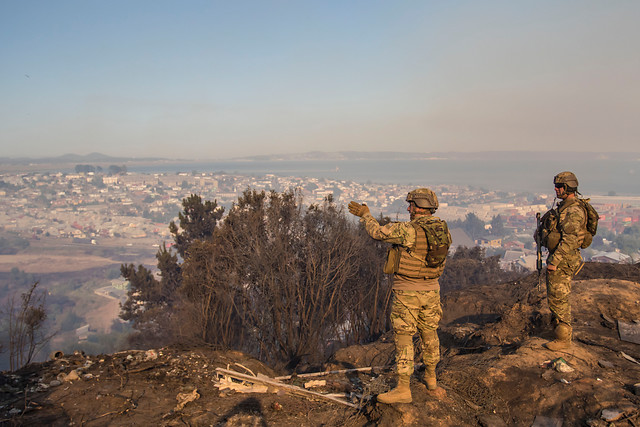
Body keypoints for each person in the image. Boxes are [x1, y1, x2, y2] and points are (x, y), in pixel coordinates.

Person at [348, 188, 451, 404]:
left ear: (419, 206)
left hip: (408, 291)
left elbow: (377, 233)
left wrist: (366, 215)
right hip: (432, 290)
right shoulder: (442, 229)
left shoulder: (409, 230)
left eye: (411, 204)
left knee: (404, 336)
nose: (408, 208)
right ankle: (431, 378)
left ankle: (403, 388)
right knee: (429, 333)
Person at [536, 171, 587, 351]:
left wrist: (554, 261)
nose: (556, 190)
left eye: (559, 187)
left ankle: (563, 339)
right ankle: (558, 331)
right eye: (556, 186)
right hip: (560, 258)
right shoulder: (564, 208)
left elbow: (570, 239)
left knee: (559, 298)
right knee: (555, 297)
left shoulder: (573, 210)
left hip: (563, 261)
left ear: (569, 188)